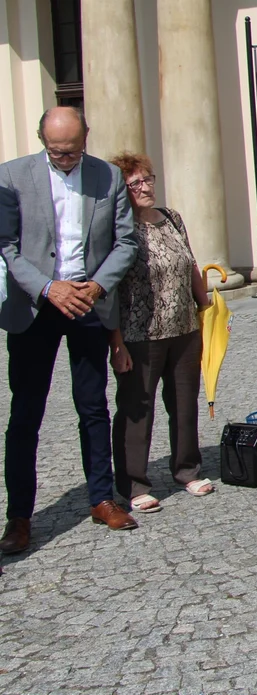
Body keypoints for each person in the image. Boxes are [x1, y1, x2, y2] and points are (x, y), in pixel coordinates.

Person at [0, 107, 140, 554]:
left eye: (73, 152)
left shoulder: (107, 177)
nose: (64, 159)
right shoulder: (11, 176)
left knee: (93, 406)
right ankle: (19, 516)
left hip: (87, 302)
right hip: (34, 305)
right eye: (56, 152)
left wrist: (95, 286)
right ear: (41, 139)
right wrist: (48, 287)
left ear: (86, 138)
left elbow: (126, 243)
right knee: (25, 414)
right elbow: (6, 246)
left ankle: (101, 497)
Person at [107, 152, 214, 513]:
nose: (145, 187)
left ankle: (187, 470)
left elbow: (190, 262)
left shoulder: (171, 219)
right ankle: (134, 483)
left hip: (184, 327)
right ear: (121, 190)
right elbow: (112, 288)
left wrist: (208, 308)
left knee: (184, 403)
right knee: (137, 408)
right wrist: (116, 341)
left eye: (148, 179)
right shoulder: (118, 228)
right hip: (139, 333)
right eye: (135, 183)